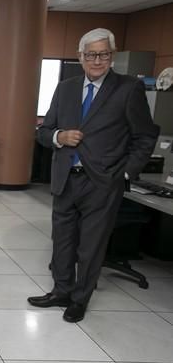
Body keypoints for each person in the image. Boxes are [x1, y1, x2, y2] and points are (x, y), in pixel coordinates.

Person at [28, 28, 158, 323]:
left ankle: (79, 298)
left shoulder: (127, 89)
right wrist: (60, 136)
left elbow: (146, 136)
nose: (97, 60)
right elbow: (45, 131)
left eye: (104, 54)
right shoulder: (66, 87)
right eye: (91, 54)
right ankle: (60, 290)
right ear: (80, 56)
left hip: (103, 181)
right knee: (61, 240)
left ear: (112, 57)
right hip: (65, 177)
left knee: (91, 244)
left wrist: (126, 173)